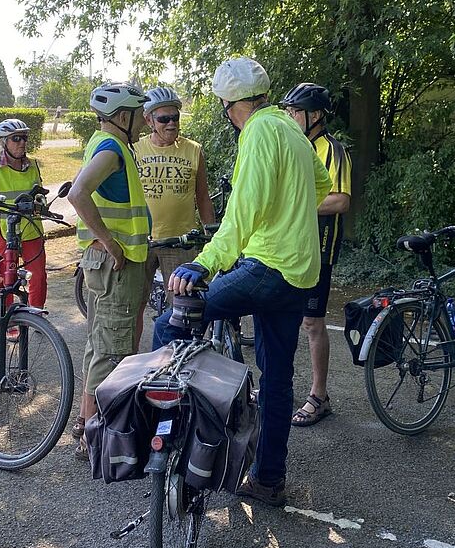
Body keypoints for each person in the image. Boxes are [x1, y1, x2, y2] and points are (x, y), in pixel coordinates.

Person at [152, 57, 332, 506]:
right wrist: (288, 214)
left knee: (172, 319)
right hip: (300, 273)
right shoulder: (293, 129)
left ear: (230, 106)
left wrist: (206, 263)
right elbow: (323, 184)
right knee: (276, 378)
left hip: (268, 267)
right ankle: (268, 480)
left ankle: (165, 440)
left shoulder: (257, 132)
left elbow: (242, 211)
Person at [67, 82, 150, 460]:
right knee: (111, 348)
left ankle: (88, 425)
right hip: (116, 264)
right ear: (122, 117)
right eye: (138, 113)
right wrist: (112, 242)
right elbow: (78, 193)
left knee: (99, 345)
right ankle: (95, 437)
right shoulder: (111, 148)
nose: (145, 120)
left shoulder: (106, 144)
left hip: (106, 264)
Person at [281, 83, 352, 427]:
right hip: (289, 249)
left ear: (315, 115)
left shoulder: (333, 150)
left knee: (312, 323)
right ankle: (279, 386)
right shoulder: (295, 146)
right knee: (282, 316)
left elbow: (340, 200)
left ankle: (319, 395)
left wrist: (296, 204)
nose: (291, 117)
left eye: (296, 111)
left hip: (319, 250)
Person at [133, 87, 215, 337]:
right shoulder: (134, 149)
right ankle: (132, 365)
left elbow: (202, 196)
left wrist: (211, 234)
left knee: (181, 311)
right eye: (163, 119)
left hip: (181, 242)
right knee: (133, 309)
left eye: (175, 117)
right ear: (149, 120)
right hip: (141, 241)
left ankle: (175, 365)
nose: (171, 124)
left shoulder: (193, 150)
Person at [0, 119, 47, 307]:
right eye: (16, 138)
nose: (22, 142)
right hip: (3, 232)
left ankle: (36, 317)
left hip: (31, 230)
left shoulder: (33, 165)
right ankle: (6, 321)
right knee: (5, 277)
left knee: (38, 277)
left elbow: (39, 194)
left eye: (24, 138)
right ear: (3, 142)